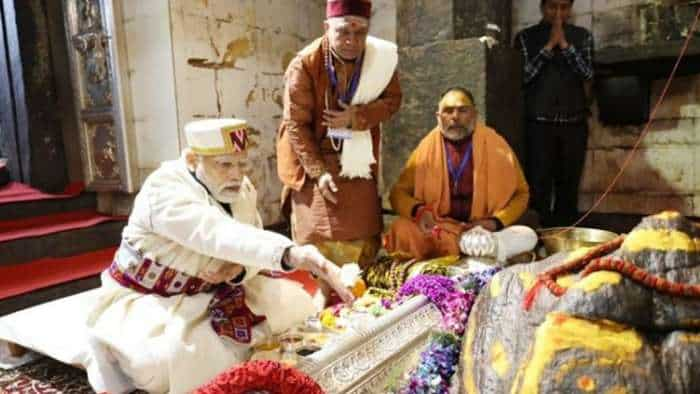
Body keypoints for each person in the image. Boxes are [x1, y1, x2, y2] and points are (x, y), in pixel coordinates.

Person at [85, 118, 354, 394]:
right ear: (192, 160)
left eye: (241, 164)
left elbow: (252, 244)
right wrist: (296, 255)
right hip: (153, 299)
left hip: (217, 291)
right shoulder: (163, 189)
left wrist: (237, 272)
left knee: (299, 306)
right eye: (225, 165)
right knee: (154, 369)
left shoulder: (241, 189)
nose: (237, 175)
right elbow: (216, 233)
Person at [276, 0, 402, 268]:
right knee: (318, 227)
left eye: (359, 33)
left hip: (355, 152)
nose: (351, 41)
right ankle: (322, 284)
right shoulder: (305, 64)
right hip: (312, 153)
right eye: (343, 32)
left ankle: (359, 277)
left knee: (364, 223)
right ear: (326, 28)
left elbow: (393, 100)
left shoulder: (379, 59)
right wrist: (319, 173)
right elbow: (296, 125)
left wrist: (356, 117)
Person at [384, 88, 529, 260]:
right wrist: (419, 211)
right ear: (438, 117)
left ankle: (470, 252)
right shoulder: (426, 148)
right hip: (440, 229)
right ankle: (466, 253)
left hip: (481, 230)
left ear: (474, 114)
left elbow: (521, 194)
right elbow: (398, 193)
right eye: (448, 111)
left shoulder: (496, 146)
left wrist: (495, 222)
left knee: (526, 234)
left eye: (462, 110)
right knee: (401, 229)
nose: (455, 117)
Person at [514, 0, 594, 227]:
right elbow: (523, 77)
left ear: (570, 9)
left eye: (564, 8)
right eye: (552, 7)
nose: (558, 13)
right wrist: (549, 47)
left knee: (568, 188)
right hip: (538, 125)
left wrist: (566, 47)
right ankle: (538, 241)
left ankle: (565, 240)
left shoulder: (582, 36)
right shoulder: (525, 38)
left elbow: (587, 73)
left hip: (574, 124)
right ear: (542, 8)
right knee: (537, 187)